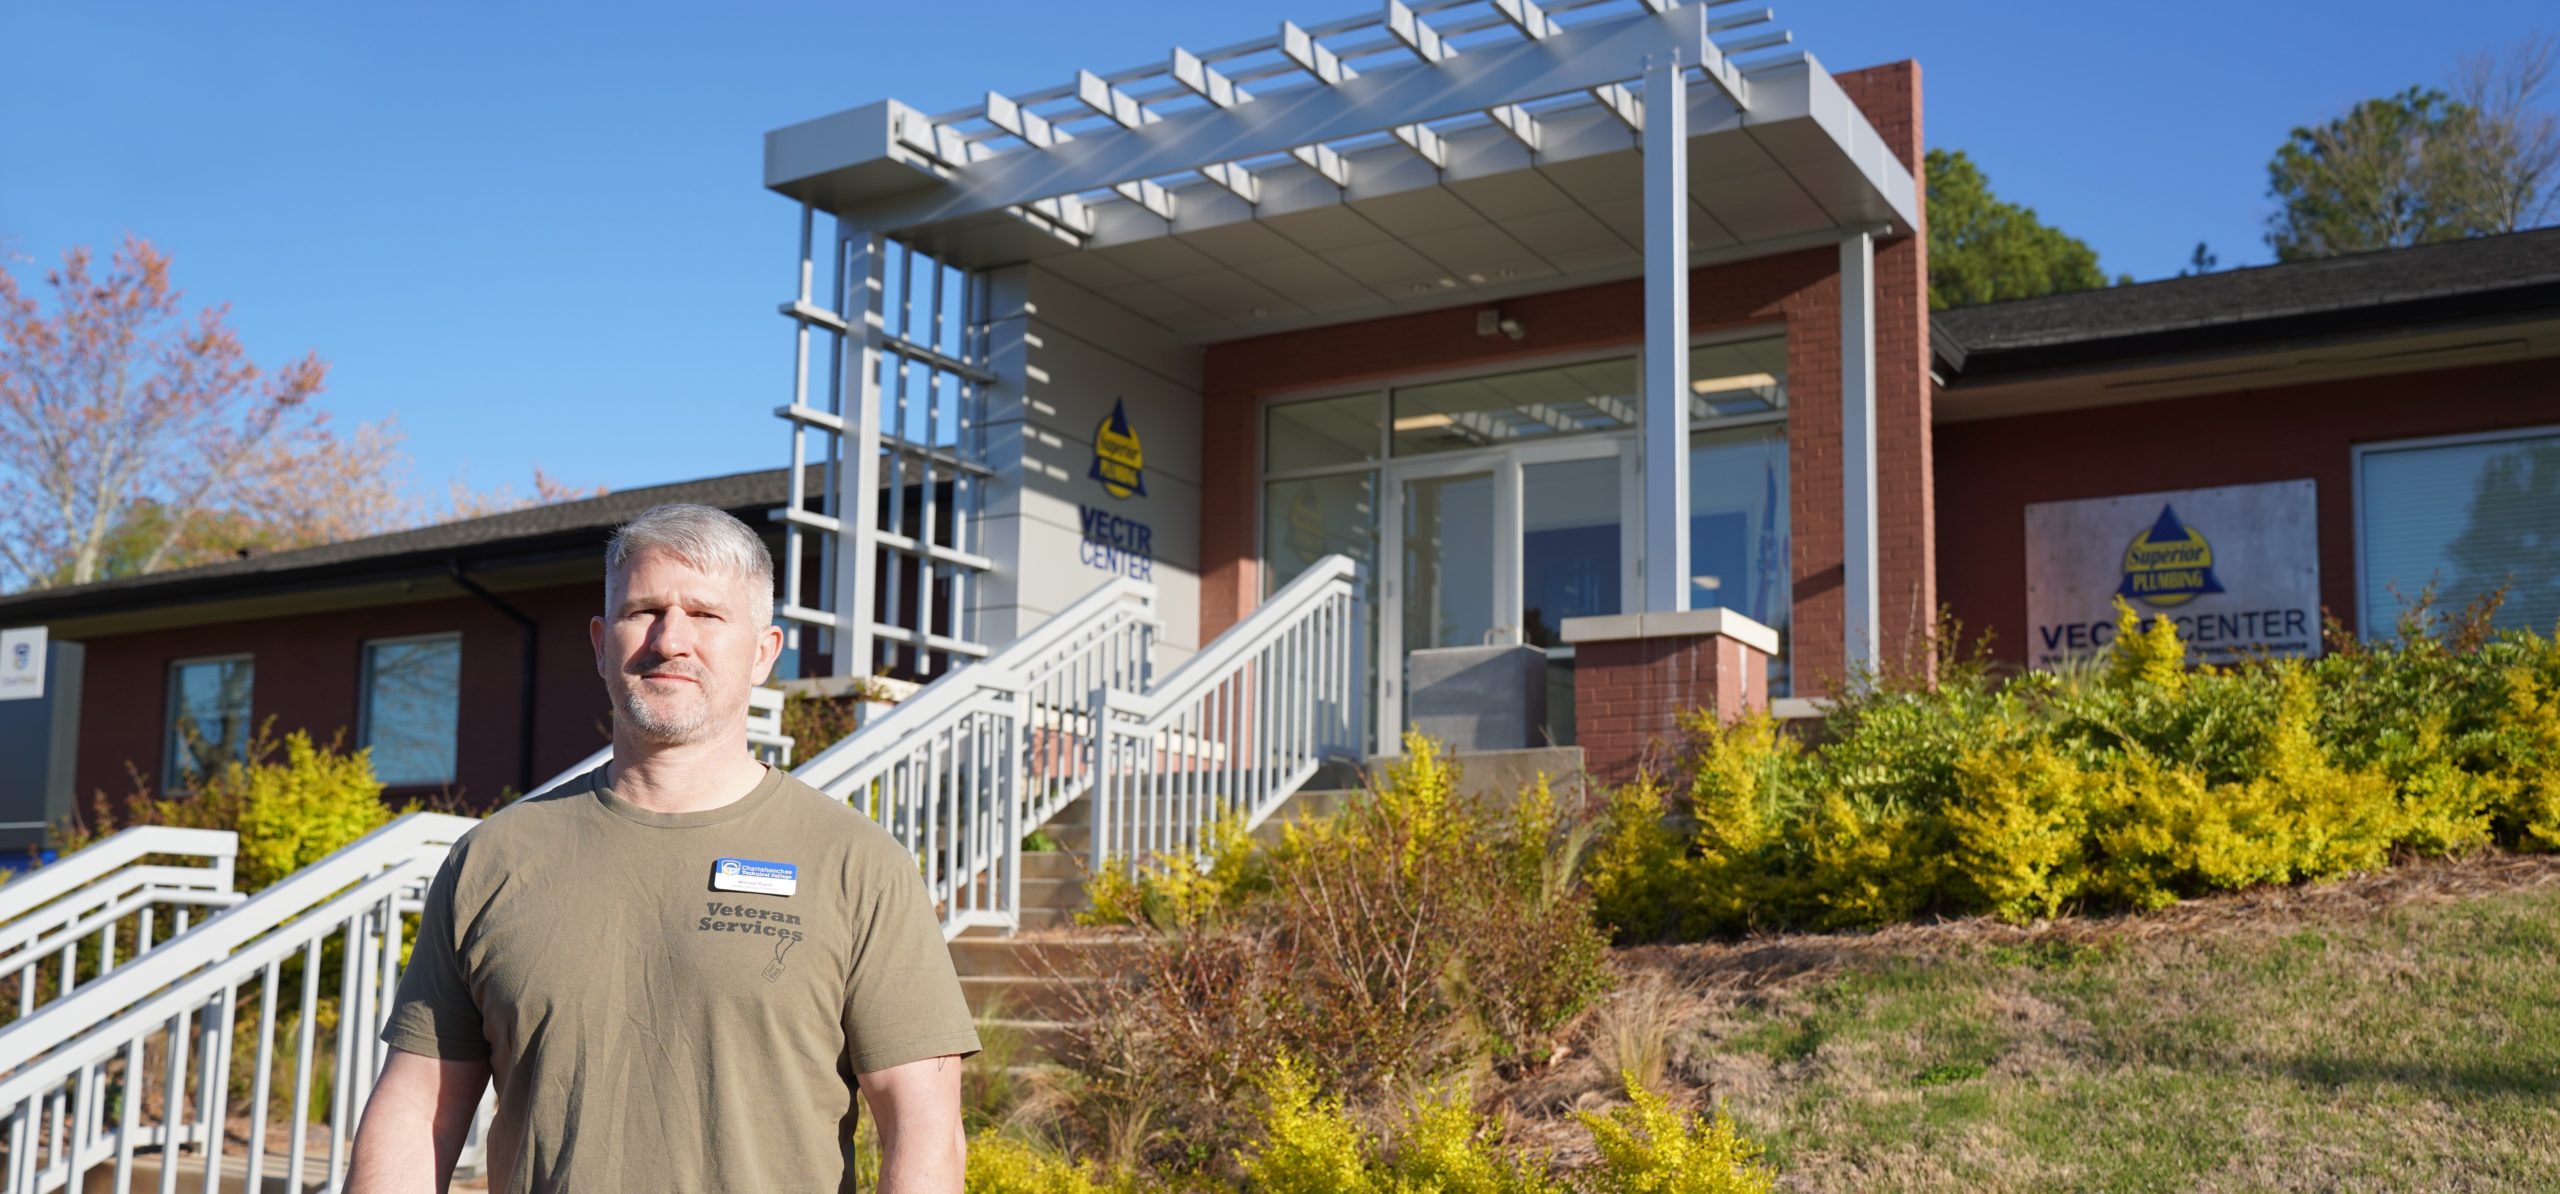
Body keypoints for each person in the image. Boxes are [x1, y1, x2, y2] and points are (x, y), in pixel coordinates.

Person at [348, 503, 978, 1193]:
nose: (670, 639)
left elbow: (923, 1130)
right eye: (643, 610)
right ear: (600, 641)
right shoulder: (492, 860)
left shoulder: (856, 865)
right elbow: (420, 1113)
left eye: (706, 615)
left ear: (764, 651)